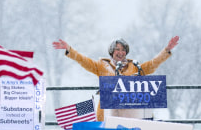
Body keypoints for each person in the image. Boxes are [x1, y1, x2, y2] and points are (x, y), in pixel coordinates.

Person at [52, 36, 180, 121]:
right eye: (117, 49)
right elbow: (84, 61)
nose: (121, 52)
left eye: (123, 50)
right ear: (112, 51)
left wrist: (166, 50)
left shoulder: (135, 67)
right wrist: (69, 49)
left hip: (130, 115)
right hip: (107, 115)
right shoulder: (102, 66)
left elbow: (153, 63)